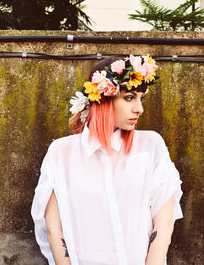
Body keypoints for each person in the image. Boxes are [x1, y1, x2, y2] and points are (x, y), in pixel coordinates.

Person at [31, 55, 183, 265]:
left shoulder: (150, 145)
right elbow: (53, 228)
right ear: (103, 99)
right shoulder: (62, 153)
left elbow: (164, 222)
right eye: (129, 97)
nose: (139, 109)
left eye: (141, 99)